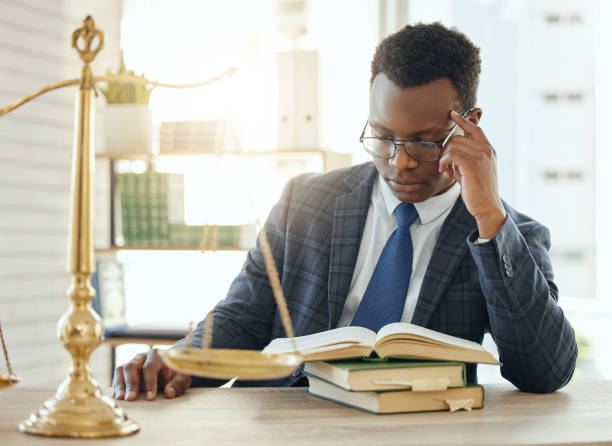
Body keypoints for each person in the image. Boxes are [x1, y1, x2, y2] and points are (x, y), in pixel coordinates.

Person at [112, 22, 577, 402]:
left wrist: (488, 217)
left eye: (424, 141)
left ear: (469, 127)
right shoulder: (306, 201)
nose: (401, 161)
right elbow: (244, 315)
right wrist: (181, 359)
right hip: (292, 423)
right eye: (383, 136)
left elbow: (544, 371)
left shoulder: (508, 234)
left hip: (419, 430)